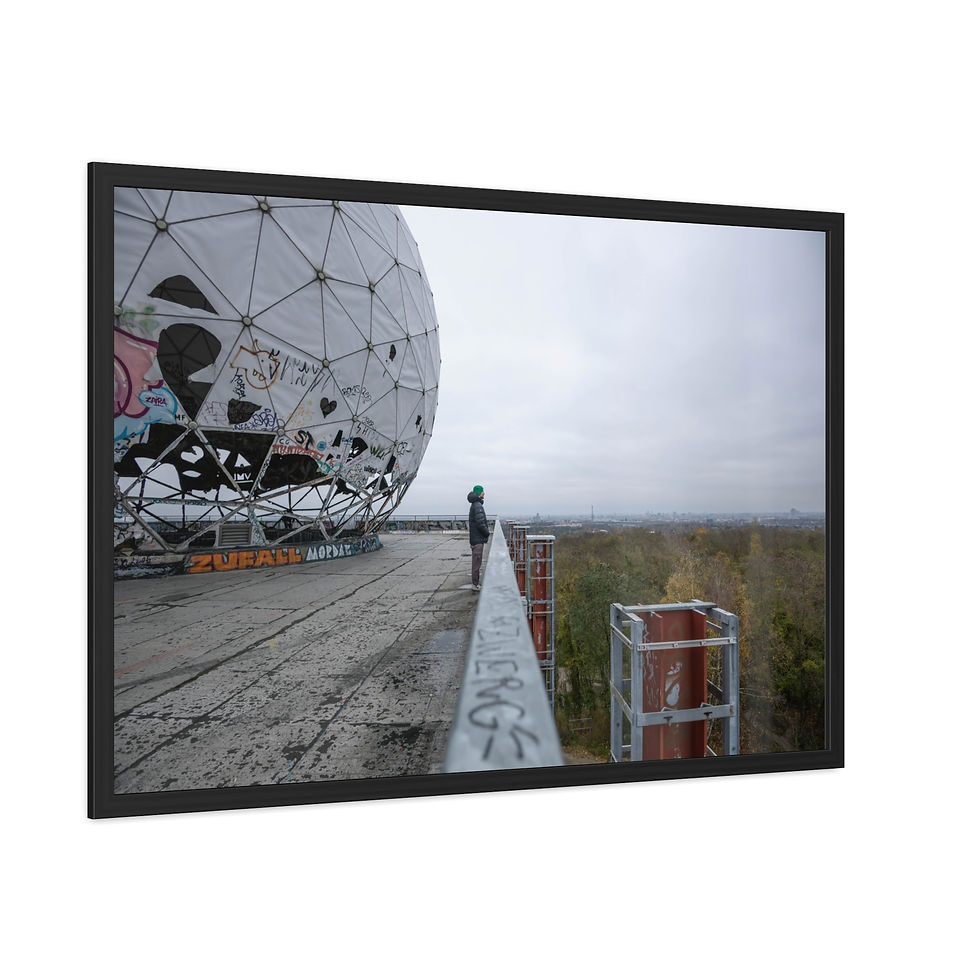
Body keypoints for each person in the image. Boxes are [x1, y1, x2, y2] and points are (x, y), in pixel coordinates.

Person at [467, 484, 490, 591]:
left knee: (476, 562)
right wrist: (487, 533)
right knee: (476, 562)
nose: (484, 493)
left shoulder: (475, 505)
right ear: (478, 493)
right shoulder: (477, 506)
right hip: (478, 539)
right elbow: (481, 523)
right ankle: (475, 584)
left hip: (475, 538)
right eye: (482, 491)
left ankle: (475, 583)